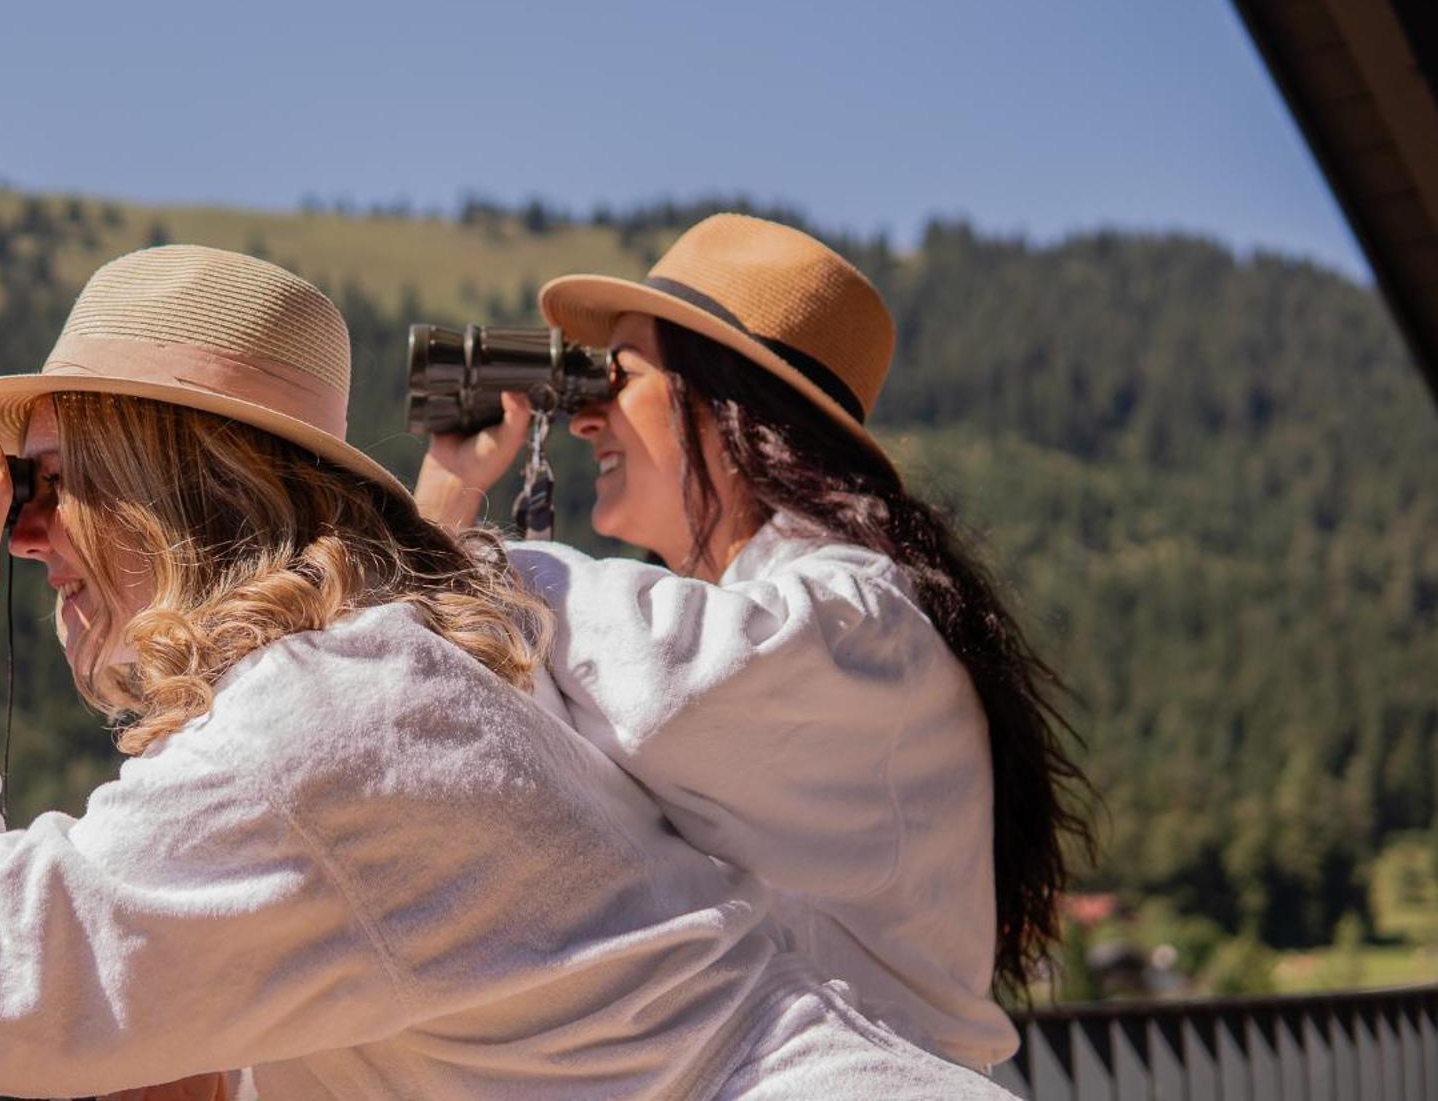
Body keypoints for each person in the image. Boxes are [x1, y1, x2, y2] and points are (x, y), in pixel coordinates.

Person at [0, 245, 1007, 1098]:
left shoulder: (326, 722)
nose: (22, 536)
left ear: (170, 495)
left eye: (48, 487)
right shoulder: (381, 686)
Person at [416, 214, 1097, 1071]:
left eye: (615, 379)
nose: (585, 421)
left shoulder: (862, 622)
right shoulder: (786, 624)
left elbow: (670, 683)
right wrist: (446, 504)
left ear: (724, 404)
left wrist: (458, 556)